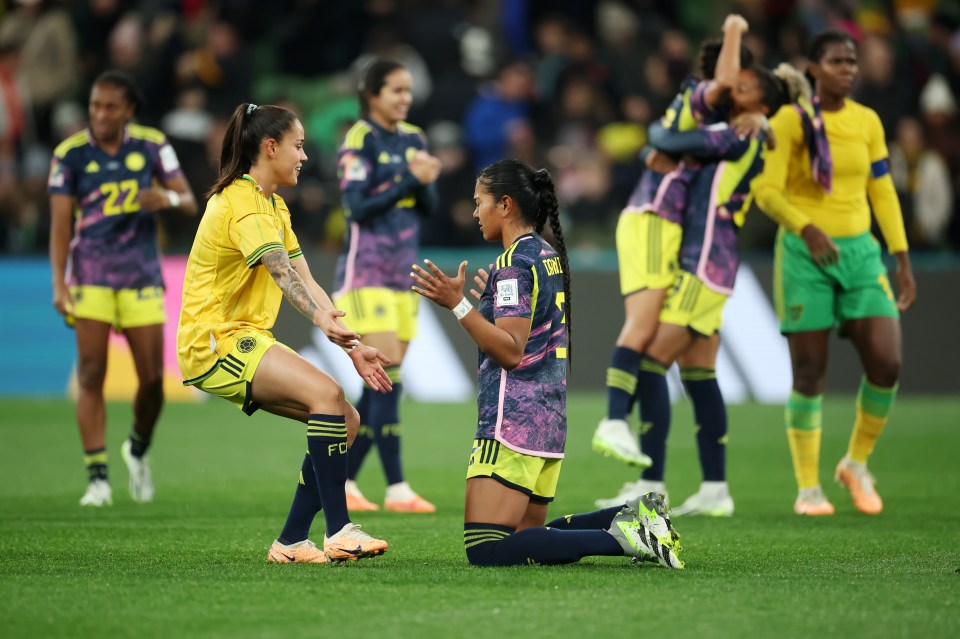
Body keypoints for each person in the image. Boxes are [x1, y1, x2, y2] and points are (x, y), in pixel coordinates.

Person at [411, 159, 682, 569]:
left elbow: (510, 350)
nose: (473, 211)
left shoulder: (513, 264)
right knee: (527, 540)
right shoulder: (544, 254)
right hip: (548, 421)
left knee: (485, 548)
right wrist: (487, 303)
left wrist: (458, 303)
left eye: (478, 201)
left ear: (504, 205)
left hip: (512, 423)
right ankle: (628, 516)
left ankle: (626, 537)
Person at [177, 102, 393, 563]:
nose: (305, 156)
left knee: (346, 420)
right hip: (215, 340)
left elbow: (306, 277)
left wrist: (350, 343)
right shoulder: (241, 204)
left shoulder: (272, 205)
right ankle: (339, 530)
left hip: (245, 335)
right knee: (326, 395)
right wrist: (318, 319)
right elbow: (280, 273)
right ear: (270, 148)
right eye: (297, 146)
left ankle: (292, 541)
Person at [597, 63, 805, 517]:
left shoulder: (744, 134)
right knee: (700, 374)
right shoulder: (735, 134)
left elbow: (669, 139)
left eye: (745, 88)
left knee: (651, 360)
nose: (733, 89)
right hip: (710, 262)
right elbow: (675, 156)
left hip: (703, 262)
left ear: (763, 106)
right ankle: (714, 488)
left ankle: (651, 482)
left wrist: (657, 140)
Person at [754, 31, 916, 516]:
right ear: (814, 68)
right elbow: (766, 189)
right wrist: (805, 229)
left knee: (887, 364)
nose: (848, 68)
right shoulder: (789, 120)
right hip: (806, 254)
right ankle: (808, 489)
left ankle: (856, 463)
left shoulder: (868, 121)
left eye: (852, 61)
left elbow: (883, 190)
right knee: (809, 372)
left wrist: (901, 256)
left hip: (862, 254)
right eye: (837, 61)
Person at [591, 15, 752, 471]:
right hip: (652, 220)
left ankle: (648, 465)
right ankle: (613, 420)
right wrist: (736, 28)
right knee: (642, 330)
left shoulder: (702, 127)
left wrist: (655, 146)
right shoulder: (703, 98)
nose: (735, 91)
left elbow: (660, 141)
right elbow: (721, 83)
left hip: (667, 227)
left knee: (661, 350)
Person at [48, 70, 198, 507]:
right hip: (91, 275)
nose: (100, 114)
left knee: (152, 380)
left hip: (141, 276)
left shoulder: (152, 145)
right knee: (91, 373)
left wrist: (166, 199)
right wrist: (59, 282)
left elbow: (188, 200)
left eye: (110, 106)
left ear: (129, 110)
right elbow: (60, 224)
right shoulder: (69, 154)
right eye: (95, 105)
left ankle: (137, 447)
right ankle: (97, 478)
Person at [333, 59, 441, 513]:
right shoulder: (360, 139)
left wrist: (426, 182)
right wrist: (408, 178)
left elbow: (426, 207)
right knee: (389, 380)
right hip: (366, 276)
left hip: (402, 277)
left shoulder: (415, 138)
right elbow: (356, 208)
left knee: (375, 386)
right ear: (372, 93)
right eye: (396, 90)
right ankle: (397, 487)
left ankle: (344, 481)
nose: (405, 98)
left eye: (408, 91)